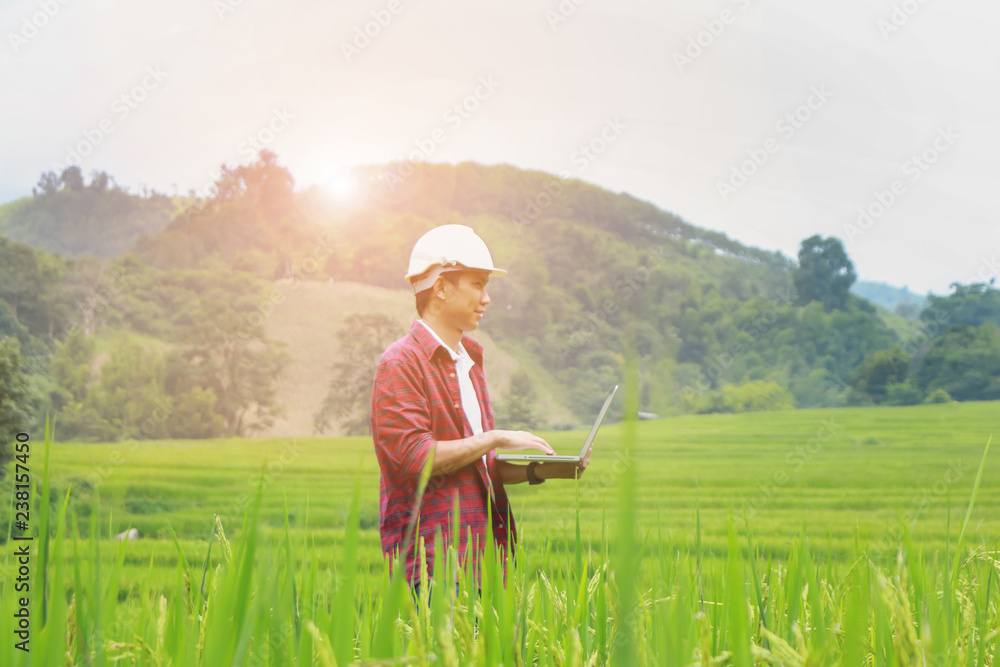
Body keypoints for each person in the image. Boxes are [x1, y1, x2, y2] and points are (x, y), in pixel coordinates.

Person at [370, 224, 592, 589]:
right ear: (441, 287)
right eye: (477, 284)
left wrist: (543, 470)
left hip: (488, 560)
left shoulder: (469, 362)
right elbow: (418, 457)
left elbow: (476, 467)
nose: (486, 299)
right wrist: (496, 437)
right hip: (436, 567)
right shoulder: (401, 363)